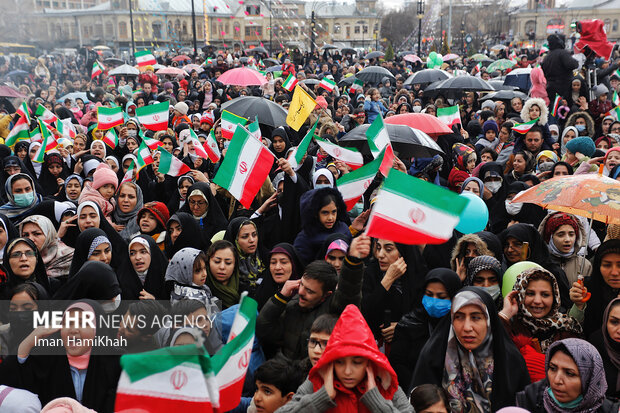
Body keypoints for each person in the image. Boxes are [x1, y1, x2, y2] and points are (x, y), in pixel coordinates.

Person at [275, 304, 413, 413]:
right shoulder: (317, 381)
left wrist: (376, 401)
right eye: (340, 362)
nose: (347, 371)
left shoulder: (386, 384)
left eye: (357, 363)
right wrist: (321, 398)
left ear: (369, 362)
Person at [411, 287, 530, 412]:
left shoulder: (509, 360)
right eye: (459, 317)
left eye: (476, 317)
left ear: (489, 321)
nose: (467, 327)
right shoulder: (434, 356)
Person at [256, 235, 370, 360]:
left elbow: (349, 291)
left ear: (327, 295)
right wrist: (279, 298)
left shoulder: (334, 310)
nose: (301, 292)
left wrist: (353, 261)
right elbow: (264, 331)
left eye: (310, 291)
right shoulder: (292, 306)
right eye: (302, 285)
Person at [10, 300, 121, 411]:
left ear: (97, 329)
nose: (73, 330)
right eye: (67, 323)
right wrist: (30, 340)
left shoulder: (116, 362)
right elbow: (13, 379)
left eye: (82, 323)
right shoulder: (47, 360)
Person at [500, 267, 582, 382]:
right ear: (519, 295)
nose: (538, 301)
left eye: (545, 295)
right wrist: (505, 314)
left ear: (555, 298)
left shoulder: (566, 329)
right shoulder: (509, 328)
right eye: (530, 293)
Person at [389, 269, 462, 390]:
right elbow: (397, 364)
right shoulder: (408, 324)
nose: (434, 301)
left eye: (441, 296)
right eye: (429, 294)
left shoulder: (460, 326)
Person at [516, 338, 620, 413]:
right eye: (552, 368)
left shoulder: (609, 410)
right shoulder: (529, 399)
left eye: (569, 374)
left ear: (590, 379)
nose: (556, 380)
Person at [539, 212, 592, 285]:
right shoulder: (540, 263)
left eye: (571, 234)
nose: (567, 239)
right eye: (560, 235)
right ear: (550, 238)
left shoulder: (585, 265)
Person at [20, 214, 73, 280]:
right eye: (25, 235)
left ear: (48, 235)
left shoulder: (69, 257)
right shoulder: (20, 258)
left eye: (37, 234)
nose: (30, 239)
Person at [224, 218, 267, 298]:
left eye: (254, 235)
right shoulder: (226, 267)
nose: (251, 240)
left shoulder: (266, 259)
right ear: (235, 240)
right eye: (245, 236)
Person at [254, 243, 304, 310]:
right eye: (273, 262)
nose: (277, 267)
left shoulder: (303, 294)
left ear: (293, 265)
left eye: (284, 262)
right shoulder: (263, 291)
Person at [205, 240, 241, 309]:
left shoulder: (244, 290)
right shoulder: (202, 291)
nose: (222, 267)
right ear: (208, 262)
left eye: (228, 263)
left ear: (235, 265)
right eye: (217, 262)